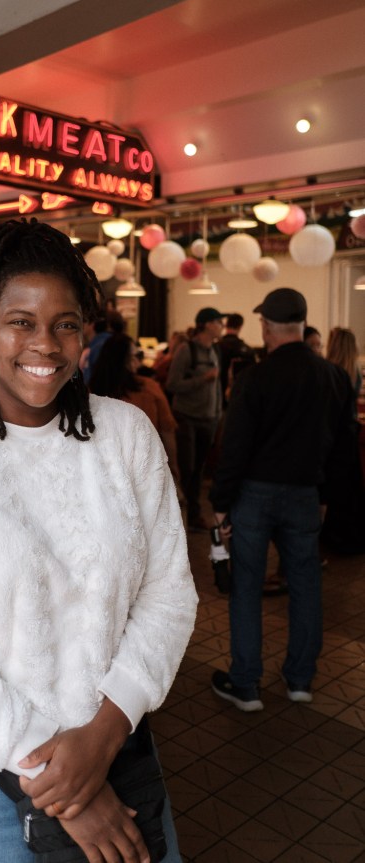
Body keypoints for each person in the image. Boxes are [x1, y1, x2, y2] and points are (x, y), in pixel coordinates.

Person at [0, 219, 198, 863]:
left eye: (65, 323)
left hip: (114, 748)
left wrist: (101, 740)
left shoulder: (126, 435)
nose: (44, 343)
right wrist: (66, 786)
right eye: (21, 321)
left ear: (86, 332)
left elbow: (169, 594)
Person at [209, 288, 353, 711]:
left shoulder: (256, 377)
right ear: (302, 324)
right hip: (307, 494)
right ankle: (300, 680)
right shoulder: (333, 377)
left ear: (268, 327)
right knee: (306, 586)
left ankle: (246, 685)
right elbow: (343, 448)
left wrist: (221, 502)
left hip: (254, 495)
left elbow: (234, 446)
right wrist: (327, 497)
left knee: (247, 586)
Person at [89, 333, 180, 484]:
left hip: (106, 472)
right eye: (136, 356)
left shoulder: (91, 391)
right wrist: (174, 473)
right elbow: (167, 431)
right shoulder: (148, 388)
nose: (140, 361)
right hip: (145, 471)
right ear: (125, 361)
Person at [166, 308, 224, 532]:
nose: (221, 325)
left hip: (209, 418)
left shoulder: (215, 350)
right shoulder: (186, 349)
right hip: (187, 416)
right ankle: (178, 515)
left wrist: (217, 413)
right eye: (218, 321)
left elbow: (217, 387)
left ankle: (194, 515)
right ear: (207, 324)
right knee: (187, 468)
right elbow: (173, 384)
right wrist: (203, 379)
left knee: (199, 468)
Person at [322, 327, 365, 554]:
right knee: (349, 490)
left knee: (332, 490)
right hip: (349, 435)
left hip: (334, 437)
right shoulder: (354, 371)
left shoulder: (331, 372)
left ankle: (333, 535)